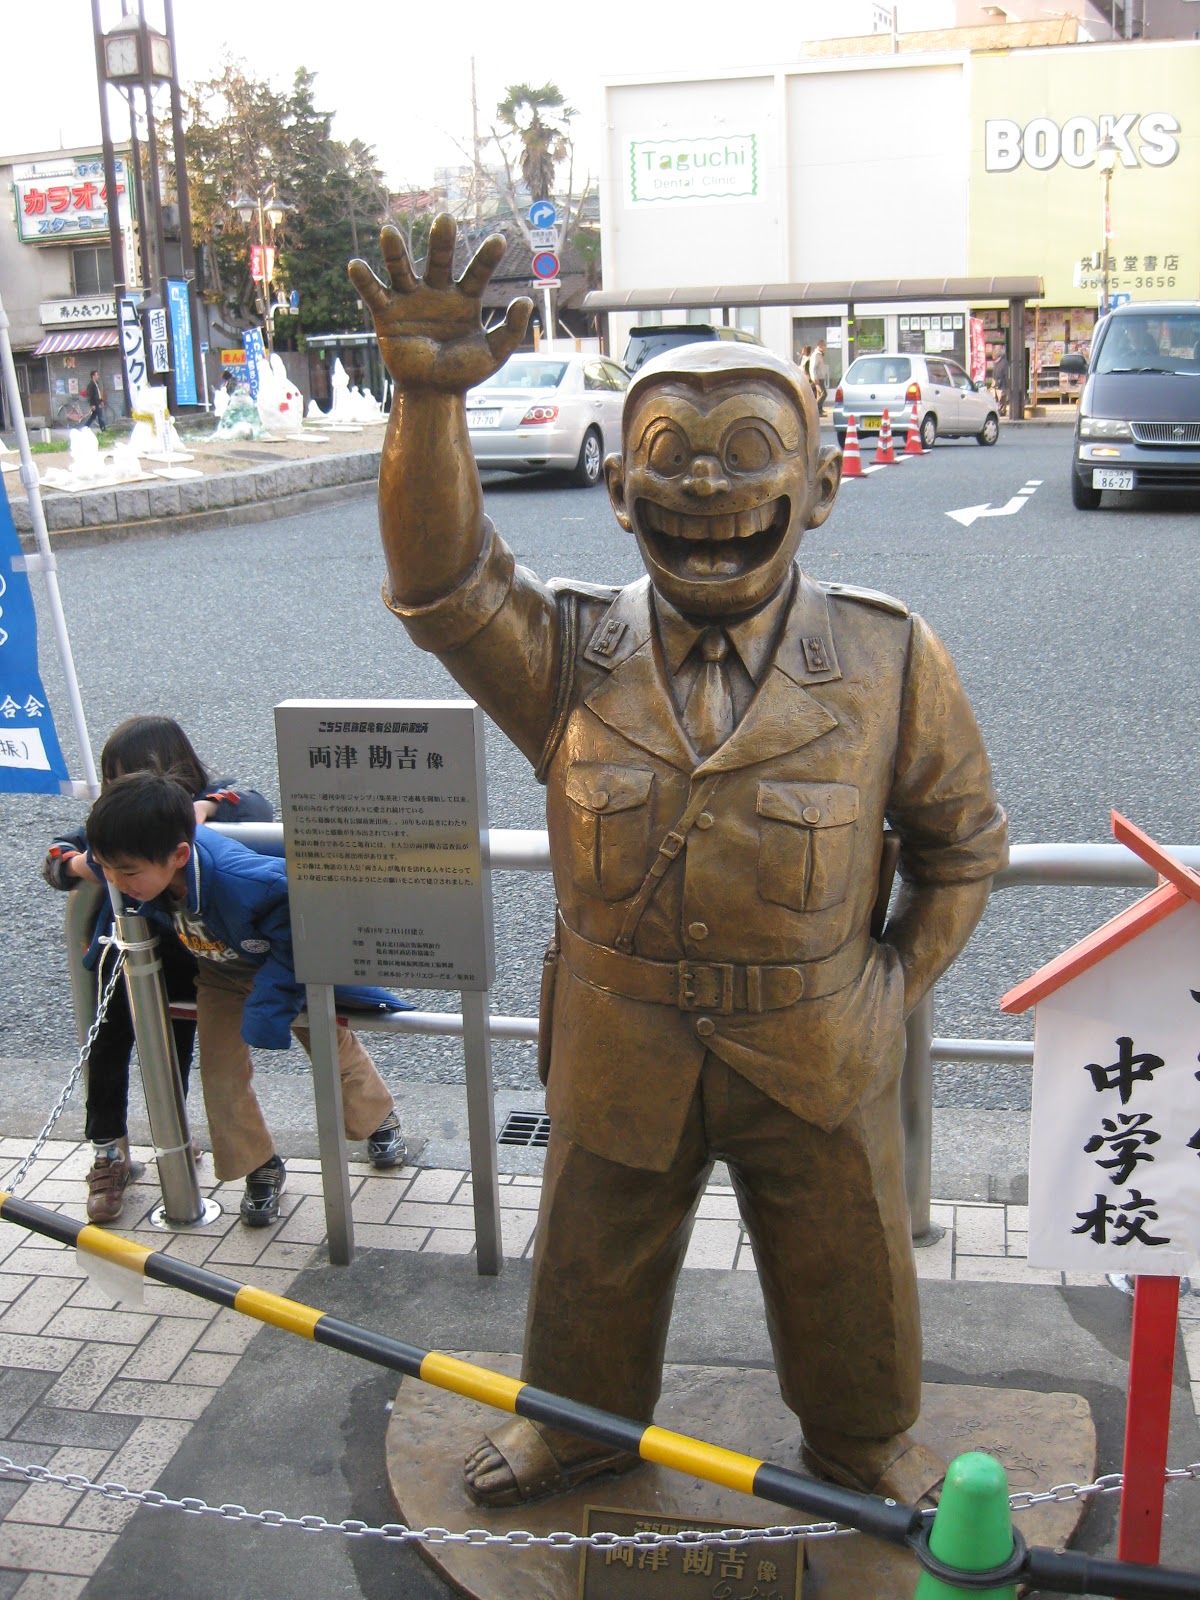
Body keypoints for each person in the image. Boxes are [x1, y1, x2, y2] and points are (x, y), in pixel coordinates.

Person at [351, 215, 1006, 1510]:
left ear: (821, 486)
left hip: (816, 1039)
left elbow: (963, 846)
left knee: (845, 1264)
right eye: (670, 456)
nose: (708, 488)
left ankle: (863, 1439)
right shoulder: (570, 652)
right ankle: (578, 1426)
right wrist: (427, 402)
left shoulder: (885, 656)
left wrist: (890, 991)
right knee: (590, 1258)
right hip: (621, 1031)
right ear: (618, 490)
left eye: (749, 454)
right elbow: (443, 584)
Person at [83, 771, 411, 1227]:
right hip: (218, 972)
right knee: (220, 1074)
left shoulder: (245, 882)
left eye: (127, 872)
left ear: (179, 856)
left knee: (328, 1045)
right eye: (105, 868)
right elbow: (93, 859)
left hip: (288, 964)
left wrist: (268, 1008)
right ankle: (259, 1165)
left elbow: (301, 936)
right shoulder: (138, 869)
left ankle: (378, 1119)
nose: (116, 881)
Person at [42, 716, 273, 1224]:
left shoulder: (195, 807)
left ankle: (175, 1137)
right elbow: (56, 856)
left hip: (190, 956)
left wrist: (204, 808)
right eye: (111, 779)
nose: (116, 788)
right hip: (123, 955)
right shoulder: (120, 819)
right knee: (107, 1047)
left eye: (125, 775)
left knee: (174, 1051)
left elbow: (254, 804)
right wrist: (88, 865)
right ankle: (108, 1153)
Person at [809, 340, 830, 414]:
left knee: (819, 394)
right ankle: (815, 410)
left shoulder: (820, 354)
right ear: (820, 346)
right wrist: (814, 378)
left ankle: (820, 410)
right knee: (823, 394)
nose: (825, 347)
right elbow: (813, 368)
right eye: (824, 346)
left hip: (821, 378)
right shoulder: (816, 355)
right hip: (818, 378)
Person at [991, 348, 1010, 416]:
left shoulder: (1004, 363)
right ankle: (999, 411)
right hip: (996, 384)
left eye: (993, 354)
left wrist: (1007, 385)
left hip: (1002, 384)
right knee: (996, 398)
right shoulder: (995, 363)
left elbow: (1007, 374)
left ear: (997, 355)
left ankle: (1002, 411)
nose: (992, 355)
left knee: (1002, 398)